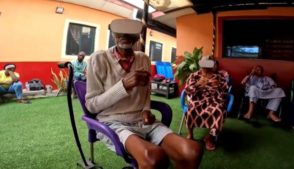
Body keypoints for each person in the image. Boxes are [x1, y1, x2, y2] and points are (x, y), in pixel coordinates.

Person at [85, 19, 202, 169]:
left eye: (131, 31)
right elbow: (91, 106)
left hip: (143, 122)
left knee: (193, 152)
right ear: (113, 33)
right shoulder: (99, 59)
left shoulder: (143, 59)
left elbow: (146, 91)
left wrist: (146, 110)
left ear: (138, 35)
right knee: (154, 158)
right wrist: (124, 85)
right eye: (119, 30)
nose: (125, 35)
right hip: (113, 123)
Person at [185, 56, 228, 151]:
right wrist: (198, 84)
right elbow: (188, 90)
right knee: (191, 109)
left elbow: (225, 90)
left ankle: (209, 137)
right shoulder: (194, 75)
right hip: (198, 98)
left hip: (214, 99)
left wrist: (218, 87)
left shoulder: (219, 76)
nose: (205, 66)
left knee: (219, 111)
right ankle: (190, 134)